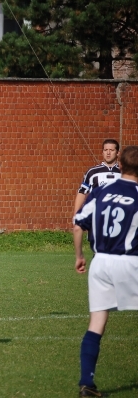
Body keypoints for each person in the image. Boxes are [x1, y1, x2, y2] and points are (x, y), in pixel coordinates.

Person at [73, 145, 138, 397]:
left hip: (100, 262)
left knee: (96, 323)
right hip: (130, 262)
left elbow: (78, 225)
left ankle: (86, 384)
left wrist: (79, 256)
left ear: (120, 164)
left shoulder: (101, 191)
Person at [73, 139, 121, 216]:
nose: (108, 153)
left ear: (118, 153)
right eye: (105, 150)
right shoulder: (92, 172)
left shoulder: (124, 172)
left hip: (117, 215)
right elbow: (82, 192)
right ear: (102, 152)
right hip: (96, 215)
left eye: (111, 150)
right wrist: (76, 214)